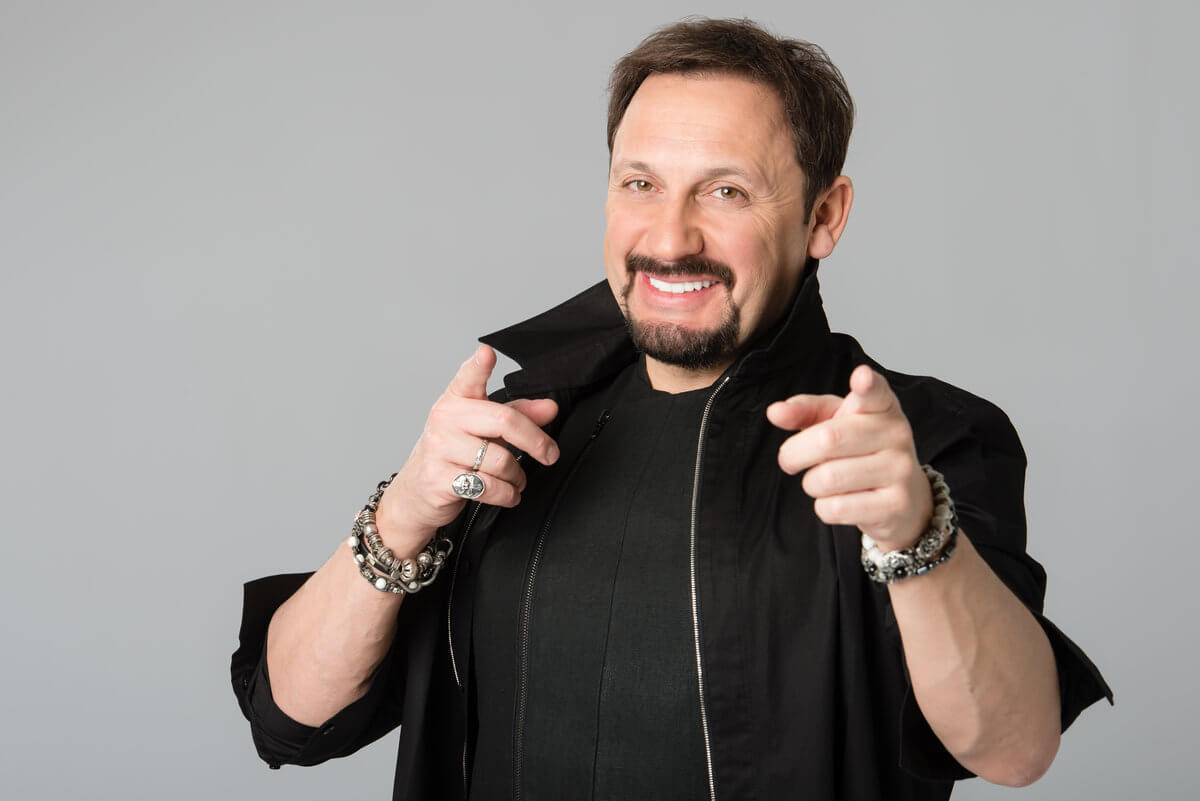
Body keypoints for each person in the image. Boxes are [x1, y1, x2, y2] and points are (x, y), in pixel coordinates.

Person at [230, 18, 1110, 801]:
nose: (668, 238)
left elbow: (1015, 748)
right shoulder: (512, 430)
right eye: (640, 183)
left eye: (727, 191)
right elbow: (290, 716)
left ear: (824, 216)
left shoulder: (918, 447)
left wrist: (918, 535)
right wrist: (403, 513)